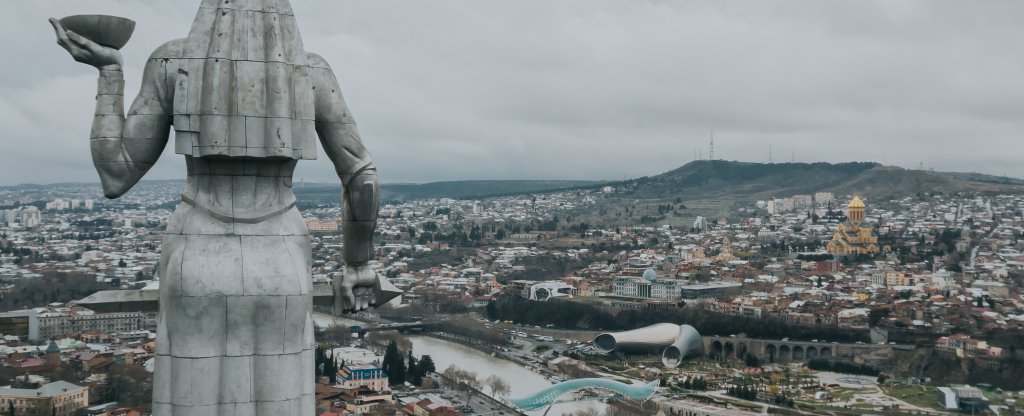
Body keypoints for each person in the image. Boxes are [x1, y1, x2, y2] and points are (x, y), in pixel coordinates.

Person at [50, 1, 378, 414]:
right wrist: (357, 262)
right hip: (282, 259)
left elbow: (117, 173)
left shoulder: (173, 61)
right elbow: (361, 174)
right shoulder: (311, 72)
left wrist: (110, 74)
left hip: (197, 246)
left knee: (193, 397)